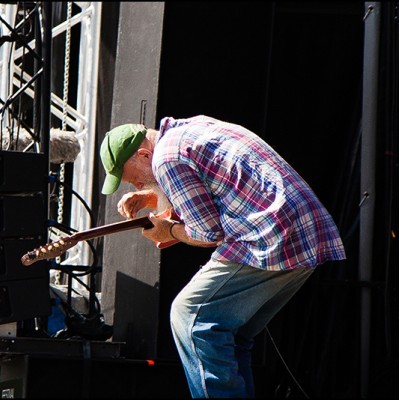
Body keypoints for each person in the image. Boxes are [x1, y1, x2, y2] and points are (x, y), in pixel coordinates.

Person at [99, 115, 346, 398]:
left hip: (272, 235)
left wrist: (168, 231)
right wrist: (152, 197)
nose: (137, 185)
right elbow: (216, 186)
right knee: (230, 334)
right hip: (305, 231)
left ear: (144, 154)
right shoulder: (192, 127)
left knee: (190, 316)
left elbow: (207, 234)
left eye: (135, 179)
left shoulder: (166, 158)